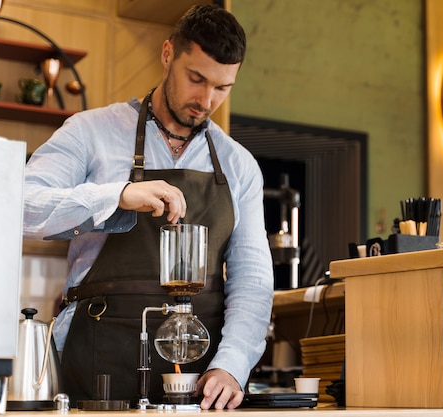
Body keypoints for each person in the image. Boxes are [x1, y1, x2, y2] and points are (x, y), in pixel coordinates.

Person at [23, 4, 273, 410]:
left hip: (199, 373)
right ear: (168, 53)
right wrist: (115, 196)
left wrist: (232, 365)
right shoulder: (91, 132)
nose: (206, 100)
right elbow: (19, 208)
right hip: (100, 353)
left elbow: (253, 278)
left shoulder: (238, 164)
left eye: (222, 88)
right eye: (196, 79)